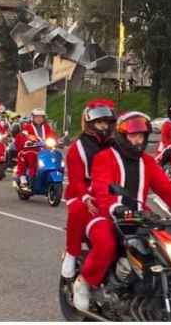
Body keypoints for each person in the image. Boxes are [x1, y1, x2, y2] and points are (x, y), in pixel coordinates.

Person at [72, 111, 171, 311]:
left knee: (163, 245)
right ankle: (84, 282)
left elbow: (167, 189)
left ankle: (148, 288)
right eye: (133, 135)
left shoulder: (147, 162)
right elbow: (102, 189)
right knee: (106, 244)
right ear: (122, 136)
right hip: (102, 214)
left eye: (141, 135)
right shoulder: (104, 158)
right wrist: (117, 208)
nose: (137, 140)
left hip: (139, 216)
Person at [61, 99, 116, 279]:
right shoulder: (77, 148)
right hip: (82, 191)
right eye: (99, 122)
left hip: (109, 191)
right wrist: (85, 197)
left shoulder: (115, 145)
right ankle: (71, 253)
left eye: (106, 123)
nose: (104, 127)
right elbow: (76, 180)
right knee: (77, 210)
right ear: (90, 124)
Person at [16, 108, 57, 185]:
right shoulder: (28, 127)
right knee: (31, 156)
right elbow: (23, 136)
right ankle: (24, 176)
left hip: (45, 150)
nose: (39, 119)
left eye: (41, 117)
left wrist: (57, 140)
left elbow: (52, 135)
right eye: (37, 117)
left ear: (44, 118)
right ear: (33, 118)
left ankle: (51, 174)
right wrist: (27, 142)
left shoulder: (47, 127)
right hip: (32, 150)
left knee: (56, 156)